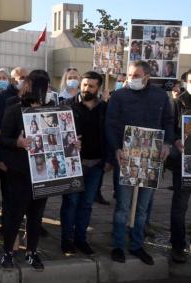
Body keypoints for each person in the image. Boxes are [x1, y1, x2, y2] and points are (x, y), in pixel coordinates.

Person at [106, 61, 173, 265]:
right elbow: (110, 124)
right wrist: (116, 148)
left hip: (151, 159)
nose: (131, 78)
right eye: (129, 74)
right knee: (123, 206)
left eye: (136, 75)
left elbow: (168, 122)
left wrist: (167, 144)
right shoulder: (118, 96)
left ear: (146, 77)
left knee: (143, 208)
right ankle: (118, 245)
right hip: (126, 157)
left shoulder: (161, 96)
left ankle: (137, 245)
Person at [0, 69, 64, 271]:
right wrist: (17, 142)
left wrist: (72, 143)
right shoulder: (15, 109)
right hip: (19, 172)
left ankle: (31, 251)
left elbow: (61, 137)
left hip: (43, 172)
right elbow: (3, 139)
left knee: (36, 216)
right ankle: (8, 253)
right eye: (44, 86)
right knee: (15, 214)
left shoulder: (53, 111)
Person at [60, 71, 108, 256]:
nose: (86, 88)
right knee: (71, 202)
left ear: (98, 88)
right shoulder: (67, 106)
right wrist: (68, 142)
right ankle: (67, 240)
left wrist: (108, 160)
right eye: (85, 84)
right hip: (74, 164)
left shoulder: (104, 108)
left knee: (87, 204)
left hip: (96, 164)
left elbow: (109, 133)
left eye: (91, 86)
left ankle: (81, 239)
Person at [0, 67, 28, 222]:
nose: (24, 80)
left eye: (26, 77)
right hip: (8, 149)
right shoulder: (5, 97)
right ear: (13, 79)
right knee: (8, 190)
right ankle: (6, 223)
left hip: (24, 152)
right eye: (22, 77)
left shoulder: (28, 96)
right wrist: (1, 157)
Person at [169, 69, 191, 263]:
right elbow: (170, 129)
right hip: (184, 165)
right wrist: (176, 140)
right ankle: (177, 245)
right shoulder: (178, 104)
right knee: (180, 207)